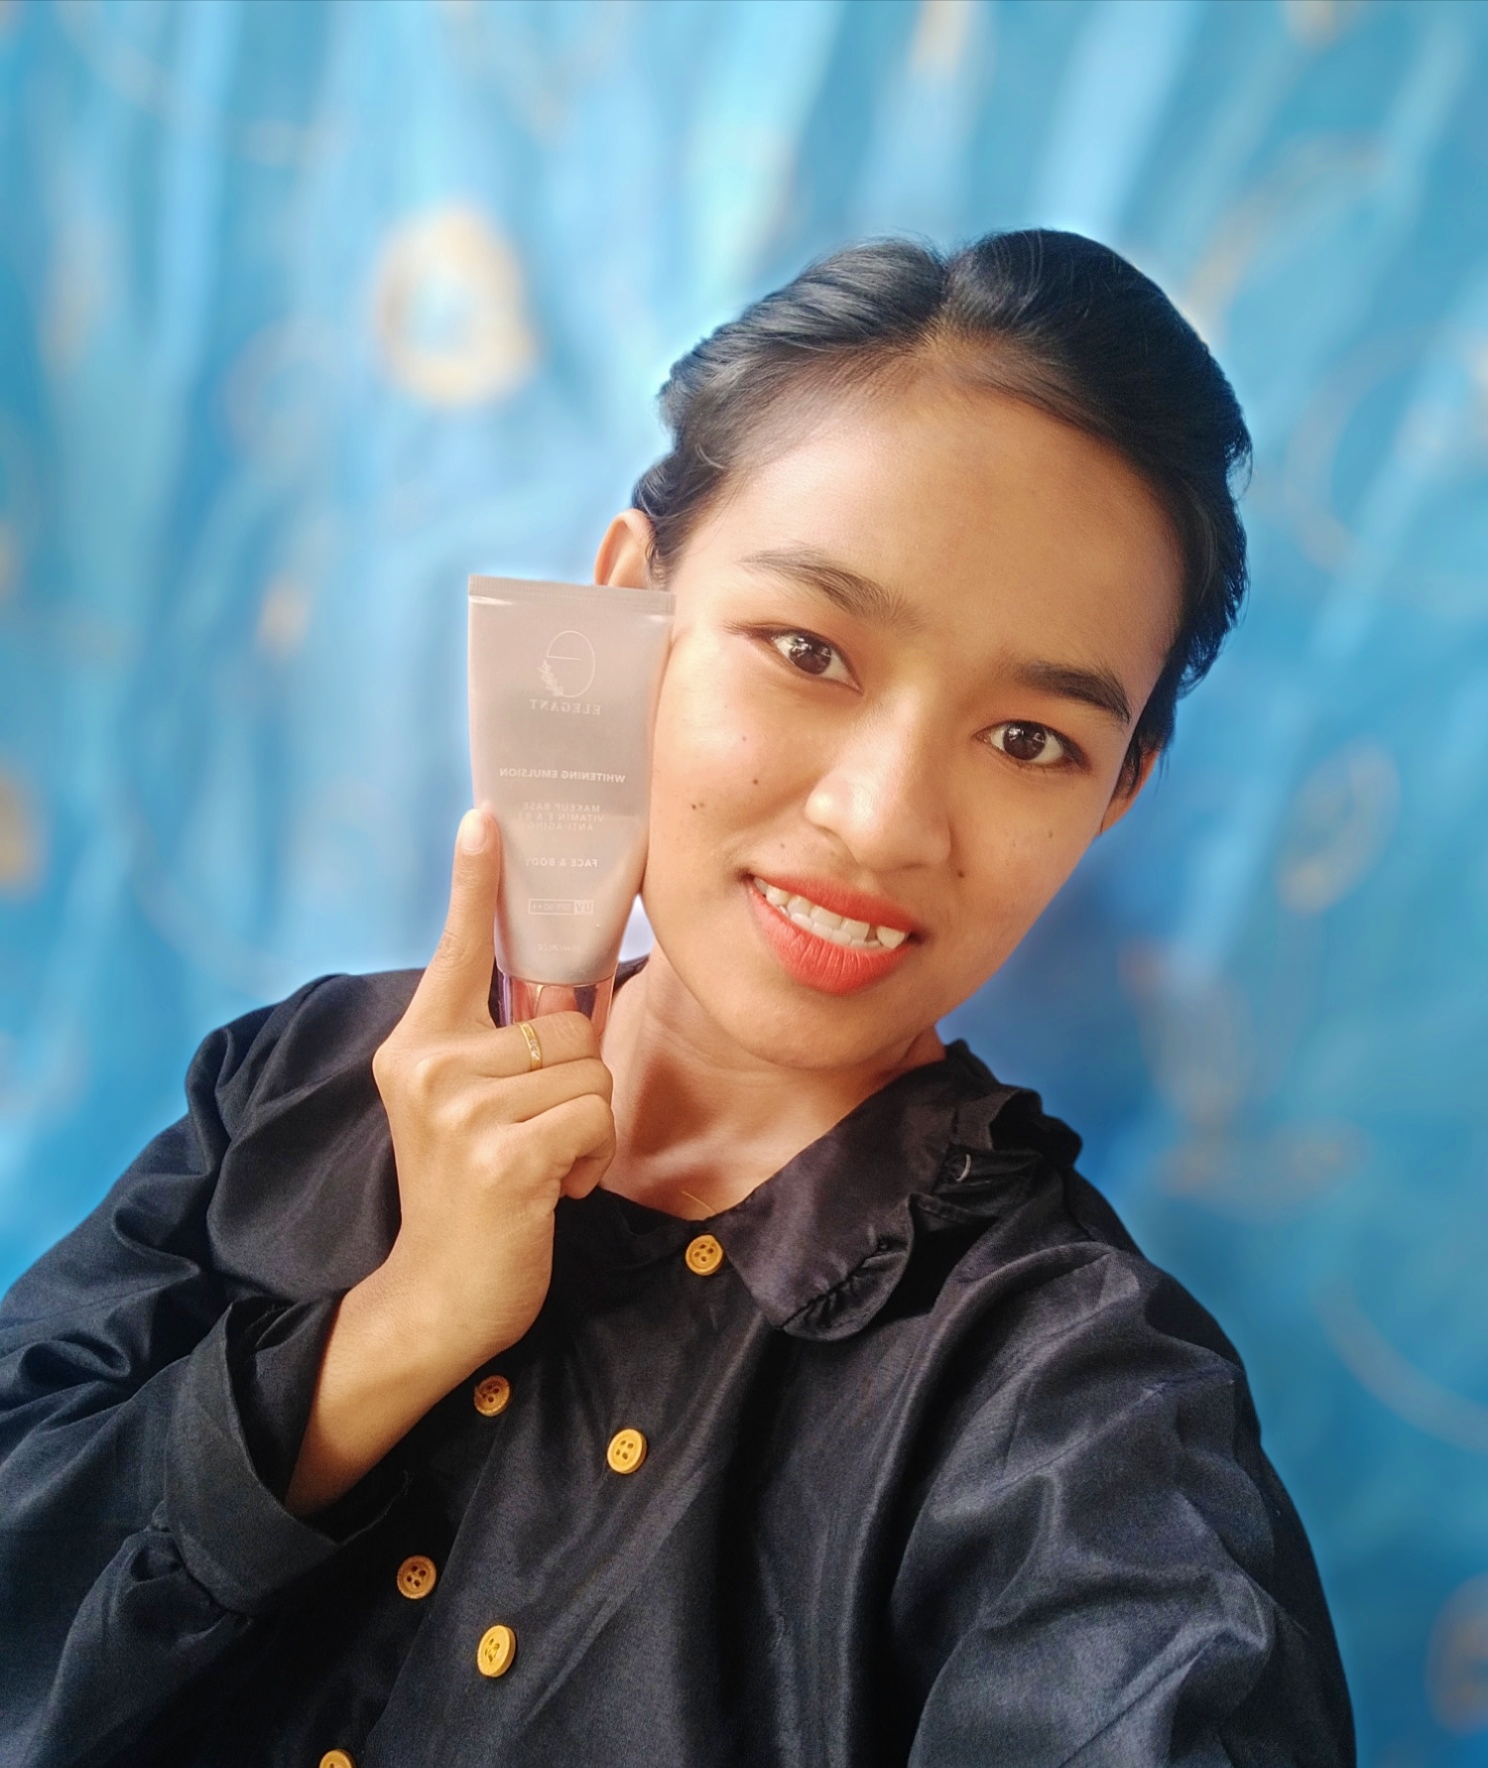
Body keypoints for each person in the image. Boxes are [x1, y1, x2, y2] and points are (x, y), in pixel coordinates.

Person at [0, 232, 1354, 1767]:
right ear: (626, 605)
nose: (882, 820)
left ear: (1118, 792)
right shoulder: (294, 1079)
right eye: (808, 649)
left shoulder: (1081, 1409)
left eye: (1032, 739)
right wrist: (391, 1331)